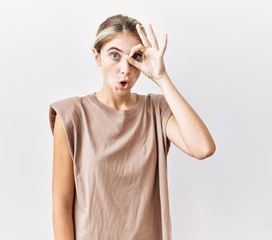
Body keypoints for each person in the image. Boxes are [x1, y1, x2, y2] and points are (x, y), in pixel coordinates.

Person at [49, 14, 216, 240]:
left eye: (134, 57)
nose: (125, 69)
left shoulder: (156, 110)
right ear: (97, 56)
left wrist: (161, 77)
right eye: (114, 55)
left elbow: (203, 148)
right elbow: (61, 204)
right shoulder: (72, 115)